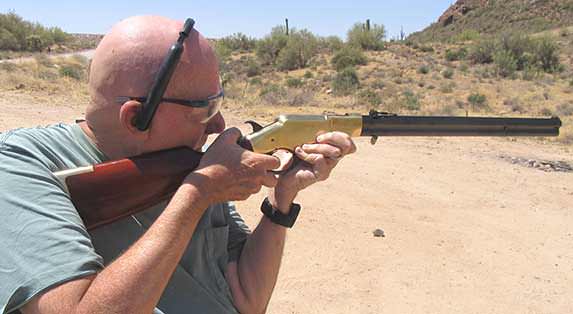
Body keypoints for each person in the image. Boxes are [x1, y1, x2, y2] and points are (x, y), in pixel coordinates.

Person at [0, 15, 356, 314]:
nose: (219, 125)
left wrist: (281, 200)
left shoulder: (190, 165)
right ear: (135, 118)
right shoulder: (22, 164)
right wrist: (198, 193)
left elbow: (246, 298)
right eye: (205, 110)